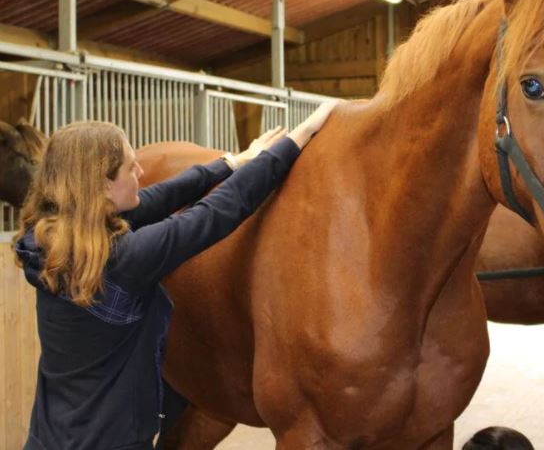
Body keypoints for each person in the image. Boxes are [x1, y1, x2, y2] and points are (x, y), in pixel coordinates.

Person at [14, 100, 338, 450]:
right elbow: (215, 213)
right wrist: (299, 137)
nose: (140, 171)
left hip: (49, 439)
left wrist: (232, 162)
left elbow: (160, 196)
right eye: (129, 166)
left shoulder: (49, 238)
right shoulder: (124, 260)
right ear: (104, 187)